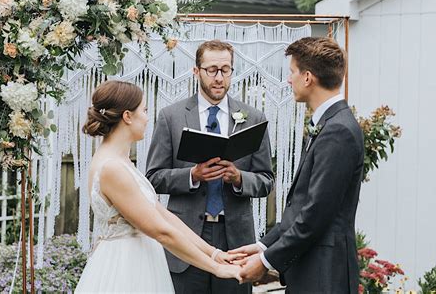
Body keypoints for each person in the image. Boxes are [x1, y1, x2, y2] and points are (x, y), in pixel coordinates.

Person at [75, 80, 242, 293]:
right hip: (125, 269)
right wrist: (216, 269)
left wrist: (215, 253)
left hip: (141, 259)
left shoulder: (122, 161)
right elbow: (161, 231)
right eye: (143, 110)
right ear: (127, 116)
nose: (147, 118)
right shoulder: (112, 168)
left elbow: (163, 216)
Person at [231, 37, 364, 294]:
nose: (288, 80)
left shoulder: (338, 131)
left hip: (324, 274)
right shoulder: (330, 124)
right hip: (311, 268)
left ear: (307, 77)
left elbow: (315, 215)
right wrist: (263, 245)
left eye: (292, 72)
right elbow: (302, 206)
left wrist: (266, 261)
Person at [146, 40, 274, 294]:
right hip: (187, 238)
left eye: (225, 70)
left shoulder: (253, 118)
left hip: (235, 240)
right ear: (197, 72)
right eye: (212, 70)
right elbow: (153, 177)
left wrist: (238, 179)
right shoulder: (171, 117)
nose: (219, 78)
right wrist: (192, 175)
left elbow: (266, 181)